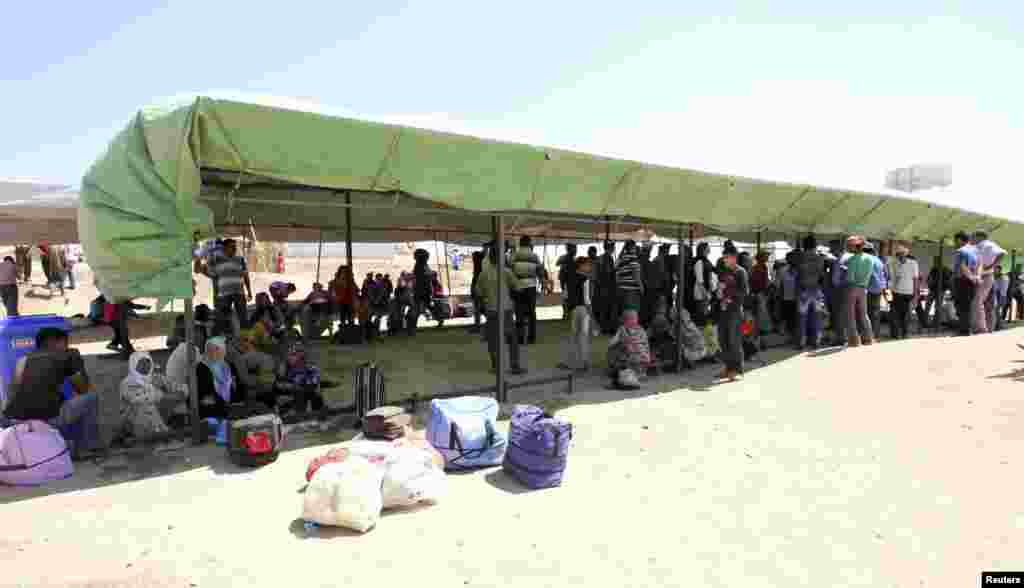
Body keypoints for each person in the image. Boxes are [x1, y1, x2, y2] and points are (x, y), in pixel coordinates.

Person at [1, 328, 99, 458]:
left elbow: (12, 393)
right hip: (46, 420)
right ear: (56, 342)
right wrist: (77, 363)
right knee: (91, 398)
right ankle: (87, 448)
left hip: (13, 421)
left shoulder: (23, 360)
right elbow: (83, 389)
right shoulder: (68, 355)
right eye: (65, 343)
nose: (67, 346)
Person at [477, 243, 525, 374]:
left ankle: (495, 366)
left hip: (491, 310)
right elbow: (518, 288)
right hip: (506, 310)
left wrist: (484, 307)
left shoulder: (483, 273)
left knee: (493, 340)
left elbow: (479, 293)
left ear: (490, 258)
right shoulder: (506, 272)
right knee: (512, 339)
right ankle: (514, 366)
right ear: (501, 257)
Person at [120, 351, 188, 439]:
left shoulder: (156, 378)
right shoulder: (127, 383)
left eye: (147, 362)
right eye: (141, 362)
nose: (145, 365)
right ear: (134, 364)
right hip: (134, 420)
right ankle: (159, 431)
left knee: (179, 400)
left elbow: (176, 385)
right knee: (145, 405)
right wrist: (165, 396)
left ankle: (178, 425)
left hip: (158, 414)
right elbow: (139, 398)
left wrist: (181, 392)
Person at [196, 238, 252, 337]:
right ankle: (215, 341)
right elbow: (199, 269)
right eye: (232, 247)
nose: (235, 249)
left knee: (243, 319)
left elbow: (246, 276)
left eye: (235, 247)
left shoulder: (240, 259)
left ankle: (246, 340)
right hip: (223, 294)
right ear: (224, 248)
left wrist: (249, 291)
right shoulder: (217, 260)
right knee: (220, 320)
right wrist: (199, 259)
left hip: (239, 293)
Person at [715, 244, 749, 380]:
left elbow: (745, 292)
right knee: (723, 340)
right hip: (723, 310)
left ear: (734, 258)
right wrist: (719, 291)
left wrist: (730, 296)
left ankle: (736, 369)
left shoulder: (741, 272)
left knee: (734, 341)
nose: (724, 260)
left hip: (735, 311)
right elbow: (720, 289)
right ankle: (728, 367)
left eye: (727, 257)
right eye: (724, 258)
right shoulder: (724, 272)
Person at [195, 337, 247, 419]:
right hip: (212, 414)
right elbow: (205, 397)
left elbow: (239, 392)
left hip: (231, 412)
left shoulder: (229, 366)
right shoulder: (202, 369)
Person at [558, 257, 595, 372]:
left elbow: (565, 296)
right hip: (583, 310)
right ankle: (584, 363)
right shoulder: (586, 279)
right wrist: (592, 315)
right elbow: (587, 299)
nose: (590, 267)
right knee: (583, 336)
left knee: (573, 336)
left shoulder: (569, 278)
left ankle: (569, 362)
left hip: (573, 309)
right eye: (588, 265)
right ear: (581, 265)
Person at [272, 343, 326, 416]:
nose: (290, 357)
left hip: (302, 395)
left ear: (301, 356)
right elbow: (277, 385)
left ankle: (318, 413)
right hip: (287, 398)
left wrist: (314, 385)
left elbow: (315, 381)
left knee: (315, 393)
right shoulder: (283, 368)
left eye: (294, 355)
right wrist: (289, 386)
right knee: (299, 391)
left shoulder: (310, 367)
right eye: (290, 355)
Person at [511, 236, 546, 345]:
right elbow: (540, 271)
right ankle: (531, 338)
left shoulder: (514, 255)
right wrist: (542, 283)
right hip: (530, 287)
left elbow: (510, 270)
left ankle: (520, 338)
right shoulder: (534, 256)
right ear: (529, 244)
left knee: (519, 313)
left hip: (518, 287)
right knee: (531, 313)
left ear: (520, 244)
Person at [794, 236, 826, 350]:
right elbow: (822, 275)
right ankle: (816, 341)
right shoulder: (820, 258)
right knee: (817, 316)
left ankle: (801, 342)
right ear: (815, 245)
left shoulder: (800, 257)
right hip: (816, 289)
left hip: (803, 290)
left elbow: (797, 273)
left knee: (802, 317)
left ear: (804, 245)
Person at [607, 308, 652, 387]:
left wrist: (625, 342)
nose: (635, 320)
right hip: (640, 359)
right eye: (633, 318)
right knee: (616, 350)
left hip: (637, 358)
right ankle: (635, 374)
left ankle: (628, 374)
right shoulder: (635, 330)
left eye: (634, 318)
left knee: (615, 351)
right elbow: (611, 343)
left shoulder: (629, 330)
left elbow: (612, 343)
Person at [844, 236, 875, 347]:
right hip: (863, 288)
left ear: (854, 247)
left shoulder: (852, 260)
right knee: (864, 314)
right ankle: (868, 338)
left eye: (849, 246)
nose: (848, 248)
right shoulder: (870, 259)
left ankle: (854, 340)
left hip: (853, 288)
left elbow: (850, 278)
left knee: (851, 314)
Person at [974, 229, 1006, 333]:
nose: (973, 238)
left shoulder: (986, 244)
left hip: (985, 276)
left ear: (980, 236)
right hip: (989, 275)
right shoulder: (986, 244)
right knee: (989, 304)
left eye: (975, 236)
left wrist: (991, 265)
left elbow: (1002, 253)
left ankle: (982, 327)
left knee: (978, 301)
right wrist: (993, 266)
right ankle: (990, 328)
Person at [887, 243, 920, 339]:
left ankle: (905, 333)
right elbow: (890, 278)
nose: (900, 255)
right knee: (894, 314)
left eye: (902, 253)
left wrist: (916, 294)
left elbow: (916, 279)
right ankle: (896, 334)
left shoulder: (913, 263)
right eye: (899, 254)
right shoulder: (893, 263)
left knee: (906, 315)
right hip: (895, 292)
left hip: (908, 293)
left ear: (906, 254)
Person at [952, 231, 980, 336]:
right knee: (968, 307)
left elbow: (963, 267)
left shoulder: (961, 251)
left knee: (962, 307)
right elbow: (979, 265)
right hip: (971, 282)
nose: (955, 243)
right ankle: (967, 329)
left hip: (962, 281)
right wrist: (976, 277)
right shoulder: (975, 250)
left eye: (956, 240)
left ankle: (964, 330)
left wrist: (971, 277)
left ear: (960, 240)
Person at [863, 242, 888, 338]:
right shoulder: (879, 260)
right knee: (875, 312)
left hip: (868, 288)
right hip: (879, 288)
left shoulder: (866, 259)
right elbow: (885, 274)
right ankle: (875, 334)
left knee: (866, 313)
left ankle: (867, 335)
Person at [830, 240, 852, 345]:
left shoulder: (846, 258)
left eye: (832, 248)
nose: (830, 250)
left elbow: (849, 274)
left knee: (841, 314)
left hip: (843, 289)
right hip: (839, 289)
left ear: (838, 247)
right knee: (839, 314)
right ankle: (841, 337)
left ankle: (843, 338)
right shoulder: (839, 258)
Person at [594, 241, 618, 334]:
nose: (614, 249)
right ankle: (607, 328)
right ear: (610, 248)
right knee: (608, 309)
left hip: (601, 288)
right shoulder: (608, 258)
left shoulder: (600, 258)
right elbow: (608, 273)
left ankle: (604, 328)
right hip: (607, 288)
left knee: (604, 309)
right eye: (613, 247)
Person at [407, 249, 433, 335]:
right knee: (417, 310)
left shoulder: (421, 266)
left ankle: (412, 328)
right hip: (422, 291)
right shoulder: (422, 266)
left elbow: (422, 278)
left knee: (416, 310)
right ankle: (411, 328)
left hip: (421, 291)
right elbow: (424, 278)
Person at [691, 242, 717, 327]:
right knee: (701, 315)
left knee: (704, 314)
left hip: (705, 292)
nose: (709, 249)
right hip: (701, 293)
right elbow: (699, 280)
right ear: (703, 250)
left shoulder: (706, 261)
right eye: (708, 248)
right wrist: (705, 293)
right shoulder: (699, 261)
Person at [615, 240, 645, 315]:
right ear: (633, 247)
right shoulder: (633, 258)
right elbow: (636, 275)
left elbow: (616, 271)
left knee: (624, 313)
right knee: (632, 313)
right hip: (631, 291)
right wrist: (641, 287)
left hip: (621, 289)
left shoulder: (621, 258)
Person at [779, 252, 798, 343]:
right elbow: (780, 285)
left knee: (795, 320)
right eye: (789, 258)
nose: (792, 260)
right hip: (786, 298)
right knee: (787, 319)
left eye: (794, 258)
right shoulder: (782, 270)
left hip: (797, 299)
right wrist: (780, 297)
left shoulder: (799, 270)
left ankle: (795, 337)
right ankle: (790, 337)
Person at [557, 243, 578, 320]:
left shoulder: (574, 259)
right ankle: (566, 314)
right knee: (566, 298)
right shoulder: (564, 257)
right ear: (570, 249)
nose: (576, 250)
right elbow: (557, 263)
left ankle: (568, 314)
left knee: (570, 298)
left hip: (571, 281)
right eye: (575, 248)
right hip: (565, 281)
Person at [470, 250, 486, 333]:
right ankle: (478, 326)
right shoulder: (483, 266)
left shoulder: (478, 268)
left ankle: (477, 326)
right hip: (480, 286)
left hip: (478, 285)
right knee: (481, 307)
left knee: (478, 308)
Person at [993, 265, 1009, 331]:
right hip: (1001, 295)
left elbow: (1000, 288)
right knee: (997, 311)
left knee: (997, 311)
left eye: (995, 269)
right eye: (994, 269)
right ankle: (998, 325)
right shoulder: (1000, 277)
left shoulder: (1003, 277)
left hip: (1000, 295)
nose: (994, 270)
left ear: (999, 270)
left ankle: (999, 326)